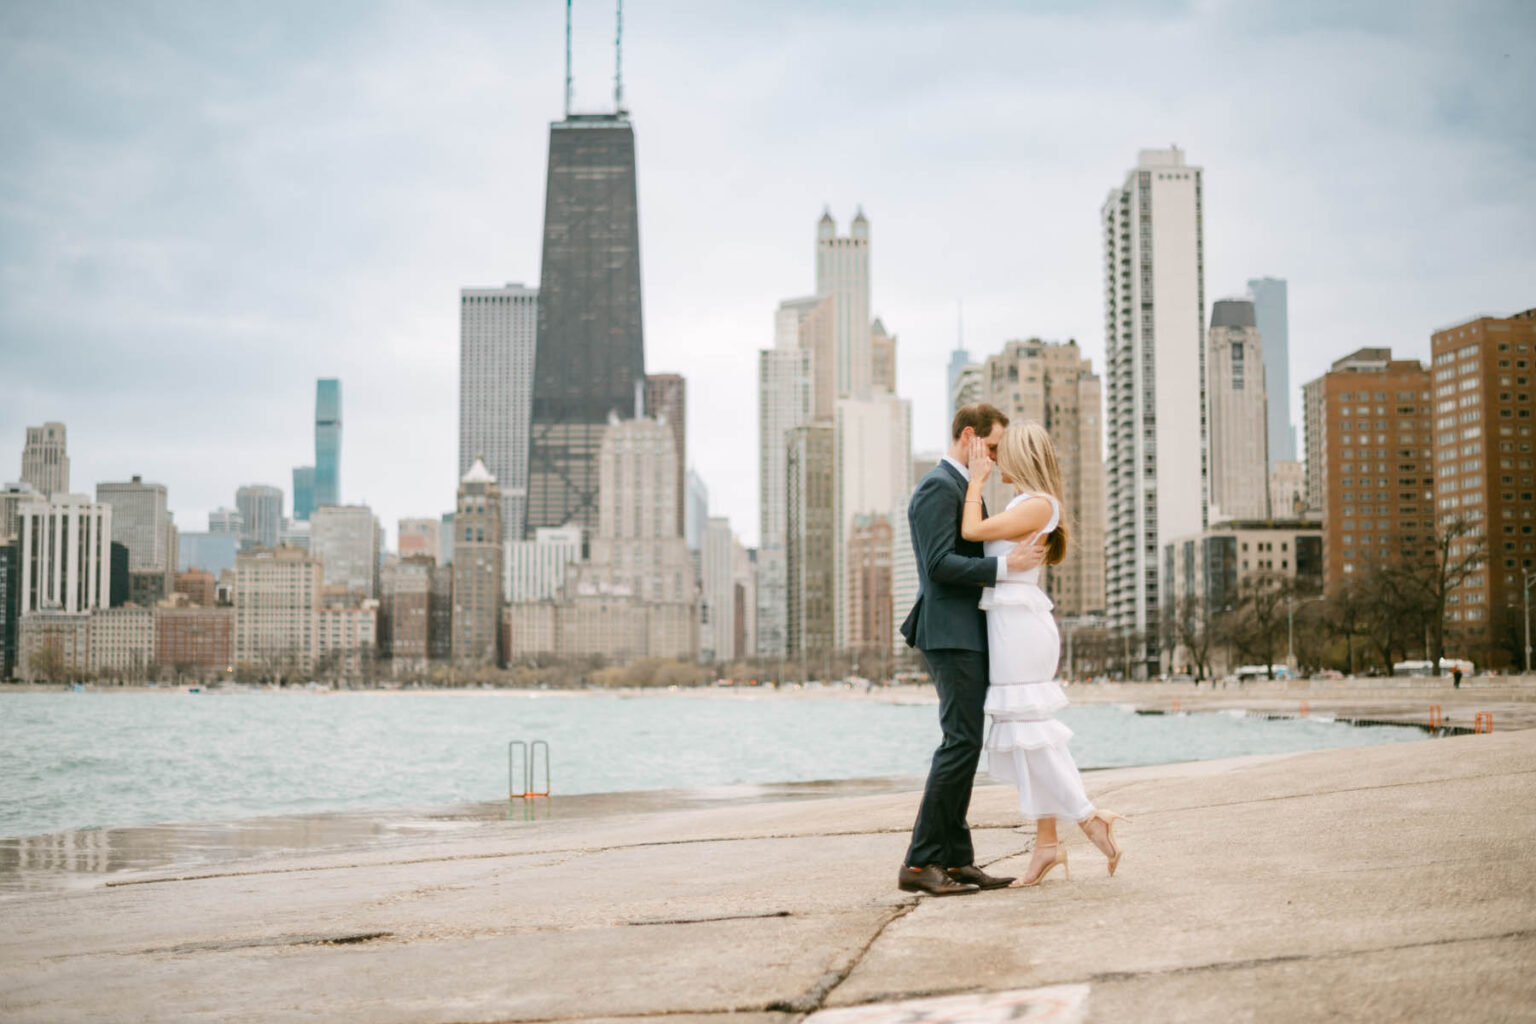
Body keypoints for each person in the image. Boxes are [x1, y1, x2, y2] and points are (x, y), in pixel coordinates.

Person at [960, 421, 1127, 885]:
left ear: (1021, 456)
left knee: (1029, 730)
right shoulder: (1023, 503)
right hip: (1011, 624)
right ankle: (1047, 845)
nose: (992, 459)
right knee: (1029, 736)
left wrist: (974, 482)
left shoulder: (1037, 504)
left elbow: (972, 531)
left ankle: (1091, 818)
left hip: (1021, 629)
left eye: (999, 452)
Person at [897, 404, 1048, 896]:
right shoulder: (938, 487)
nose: (1000, 456)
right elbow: (939, 564)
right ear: (970, 437)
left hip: (967, 632)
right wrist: (1008, 568)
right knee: (959, 743)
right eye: (995, 445)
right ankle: (921, 864)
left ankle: (958, 861)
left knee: (965, 743)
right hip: (949, 633)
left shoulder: (964, 490)